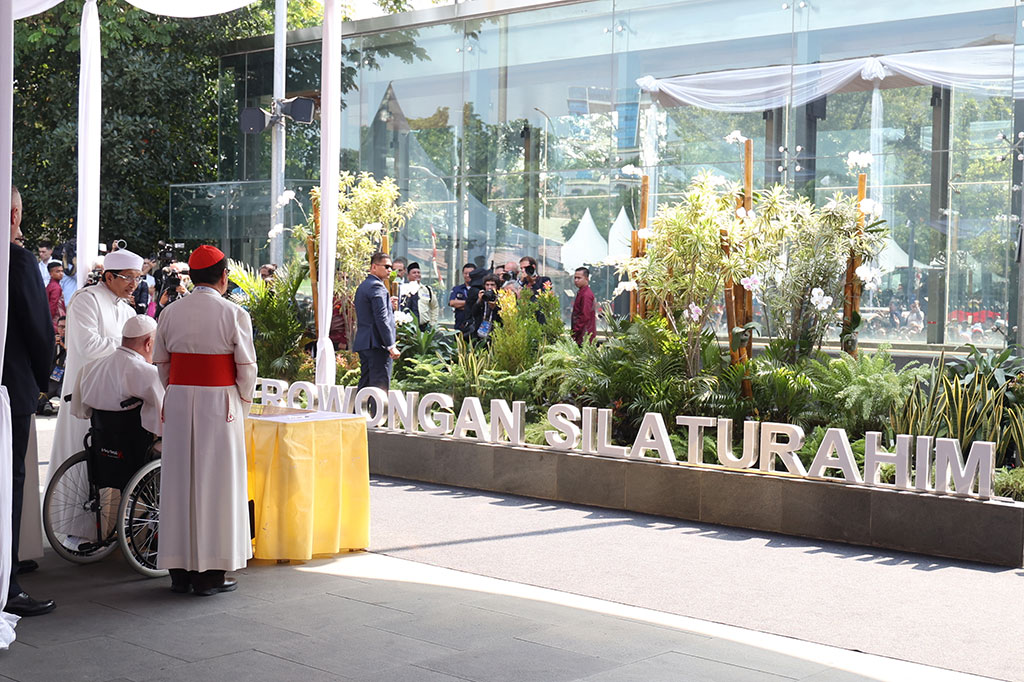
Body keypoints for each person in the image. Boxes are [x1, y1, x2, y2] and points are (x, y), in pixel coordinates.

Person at [154, 245, 257, 596]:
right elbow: (246, 369)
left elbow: (162, 367)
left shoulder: (169, 312)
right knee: (217, 483)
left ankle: (178, 569)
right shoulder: (234, 314)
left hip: (181, 400)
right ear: (224, 277)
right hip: (219, 403)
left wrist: (180, 392)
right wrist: (241, 403)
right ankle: (210, 573)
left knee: (180, 480)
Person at [3, 185, 57, 616]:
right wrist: (42, 381)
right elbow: (41, 333)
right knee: (8, 487)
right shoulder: (17, 262)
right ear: (15, 215)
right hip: (11, 389)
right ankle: (7, 584)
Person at [46, 249, 140, 490]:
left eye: (138, 278)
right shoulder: (87, 299)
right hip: (84, 392)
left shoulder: (129, 310)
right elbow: (88, 346)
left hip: (115, 398)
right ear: (109, 277)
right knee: (78, 454)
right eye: (128, 277)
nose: (134, 284)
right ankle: (70, 525)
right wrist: (129, 346)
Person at [71, 315, 164, 438]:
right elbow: (162, 421)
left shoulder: (90, 367)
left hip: (101, 439)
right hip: (137, 442)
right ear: (148, 343)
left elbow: (80, 410)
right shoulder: (150, 373)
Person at [353, 252, 400, 391]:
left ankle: (358, 413)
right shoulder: (377, 287)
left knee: (365, 385)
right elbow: (381, 318)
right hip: (377, 344)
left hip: (366, 342)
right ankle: (375, 413)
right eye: (386, 266)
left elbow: (370, 312)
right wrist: (390, 345)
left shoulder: (364, 285)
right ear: (374, 267)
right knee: (378, 388)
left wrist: (389, 306)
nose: (390, 270)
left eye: (391, 267)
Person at [399, 262, 441, 330]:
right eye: (414, 273)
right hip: (407, 328)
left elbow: (434, 307)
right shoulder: (403, 289)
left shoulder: (427, 290)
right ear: (408, 276)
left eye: (418, 272)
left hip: (423, 328)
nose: (417, 275)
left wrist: (432, 323)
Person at [468, 274, 502, 344]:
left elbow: (502, 318)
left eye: (492, 285)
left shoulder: (502, 299)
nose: (489, 287)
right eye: (487, 285)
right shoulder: (483, 297)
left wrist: (494, 308)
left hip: (495, 334)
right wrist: (479, 301)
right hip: (480, 333)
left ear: (497, 286)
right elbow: (473, 313)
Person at [571, 266, 597, 345]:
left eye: (579, 278)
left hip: (584, 336)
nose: (576, 280)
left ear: (587, 279)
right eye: (575, 278)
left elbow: (584, 316)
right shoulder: (582, 292)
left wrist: (575, 331)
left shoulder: (586, 294)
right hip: (582, 334)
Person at [448, 263, 475, 332]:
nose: (467, 275)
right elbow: (452, 303)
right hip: (459, 326)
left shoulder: (478, 289)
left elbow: (478, 306)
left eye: (470, 273)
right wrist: (470, 303)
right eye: (465, 273)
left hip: (474, 326)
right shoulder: (457, 289)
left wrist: (460, 305)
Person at [45, 261, 66, 331]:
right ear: (50, 273)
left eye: (62, 271)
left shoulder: (50, 285)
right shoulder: (56, 287)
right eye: (58, 271)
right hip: (55, 319)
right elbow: (53, 304)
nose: (61, 274)